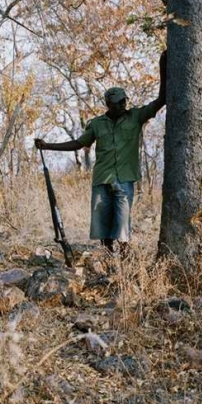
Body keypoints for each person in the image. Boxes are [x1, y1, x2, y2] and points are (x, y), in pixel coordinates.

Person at [34, 51, 167, 254]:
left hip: (125, 177)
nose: (123, 105)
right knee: (102, 221)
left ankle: (124, 259)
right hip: (102, 178)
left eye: (124, 101)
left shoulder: (135, 117)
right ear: (109, 105)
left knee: (123, 221)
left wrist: (163, 68)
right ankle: (106, 257)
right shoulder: (97, 124)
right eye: (119, 103)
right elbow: (78, 144)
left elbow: (161, 100)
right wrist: (47, 145)